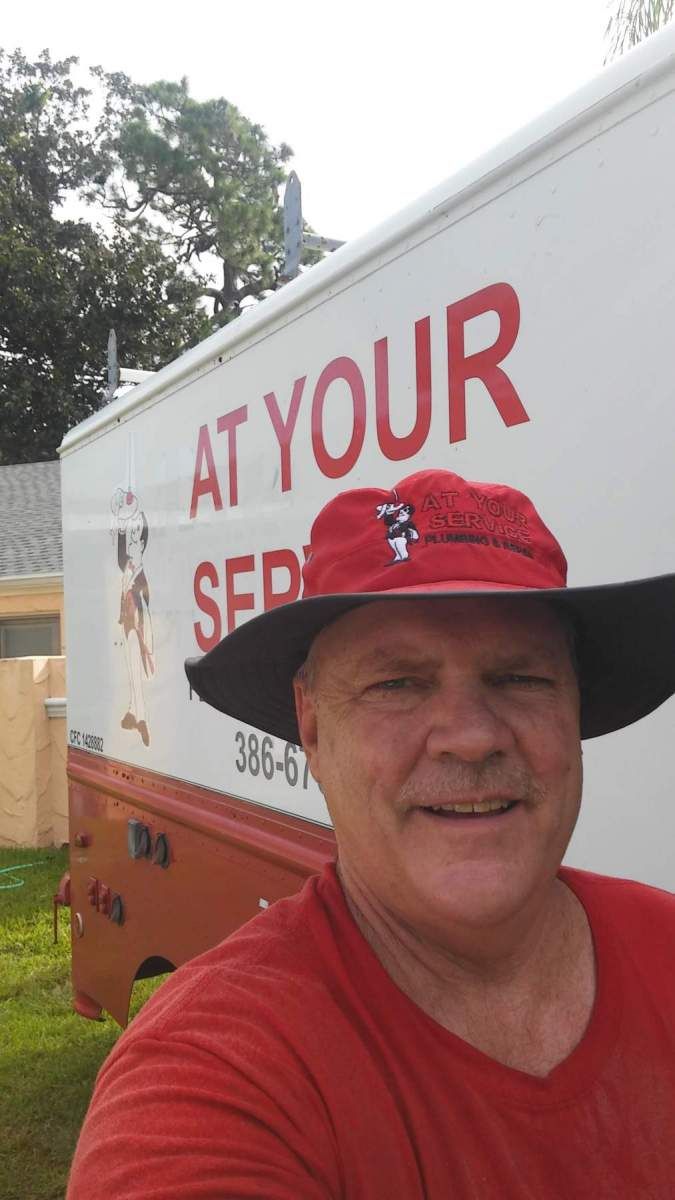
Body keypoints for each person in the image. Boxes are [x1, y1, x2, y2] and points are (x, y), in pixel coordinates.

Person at [68, 468, 675, 1199]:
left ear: (574, 715)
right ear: (313, 727)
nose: (471, 737)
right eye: (397, 684)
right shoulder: (214, 1071)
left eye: (521, 678)